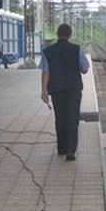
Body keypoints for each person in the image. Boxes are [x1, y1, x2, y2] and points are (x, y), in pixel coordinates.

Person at [39, 23, 90, 161]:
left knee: (60, 117)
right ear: (70, 34)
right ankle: (70, 150)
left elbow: (45, 72)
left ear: (57, 34)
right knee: (72, 118)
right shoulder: (77, 49)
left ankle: (61, 148)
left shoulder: (48, 51)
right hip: (74, 89)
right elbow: (85, 69)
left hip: (56, 89)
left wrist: (43, 90)